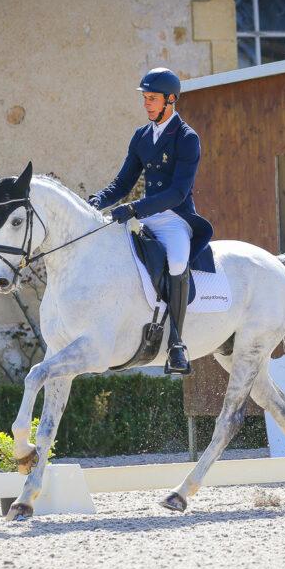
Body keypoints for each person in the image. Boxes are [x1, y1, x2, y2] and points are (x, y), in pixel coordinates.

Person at [88, 67, 213, 375]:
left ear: (171, 100)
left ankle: (176, 344)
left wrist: (134, 209)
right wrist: (94, 202)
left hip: (174, 219)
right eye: (145, 98)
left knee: (176, 263)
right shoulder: (142, 136)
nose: (146, 104)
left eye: (153, 99)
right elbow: (121, 183)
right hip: (145, 217)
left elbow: (178, 192)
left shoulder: (187, 138)